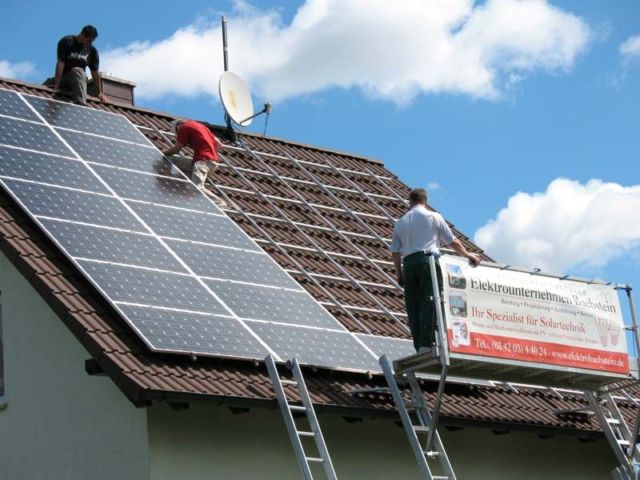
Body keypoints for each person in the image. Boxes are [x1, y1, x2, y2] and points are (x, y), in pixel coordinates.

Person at [390, 188, 480, 354]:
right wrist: (468, 255)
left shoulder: (400, 222)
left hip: (409, 264)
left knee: (413, 306)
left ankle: (418, 346)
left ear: (410, 202)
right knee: (429, 300)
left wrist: (399, 273)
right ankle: (426, 343)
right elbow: (452, 241)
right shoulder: (433, 217)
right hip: (427, 261)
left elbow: (395, 251)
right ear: (425, 201)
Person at [162, 118, 226, 203]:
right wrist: (210, 155)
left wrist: (162, 153)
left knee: (196, 187)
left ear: (178, 126)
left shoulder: (184, 128)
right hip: (210, 163)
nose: (178, 134)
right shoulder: (201, 126)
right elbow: (219, 144)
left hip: (202, 162)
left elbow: (177, 149)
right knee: (172, 160)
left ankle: (220, 203)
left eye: (177, 132)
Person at [44, 25, 106, 105]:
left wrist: (99, 92)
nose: (91, 43)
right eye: (89, 41)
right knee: (42, 88)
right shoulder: (67, 42)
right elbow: (60, 63)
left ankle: (80, 103)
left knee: (78, 70)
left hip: (79, 80)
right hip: (64, 78)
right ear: (83, 35)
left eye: (92, 41)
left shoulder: (92, 51)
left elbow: (95, 72)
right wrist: (56, 85)